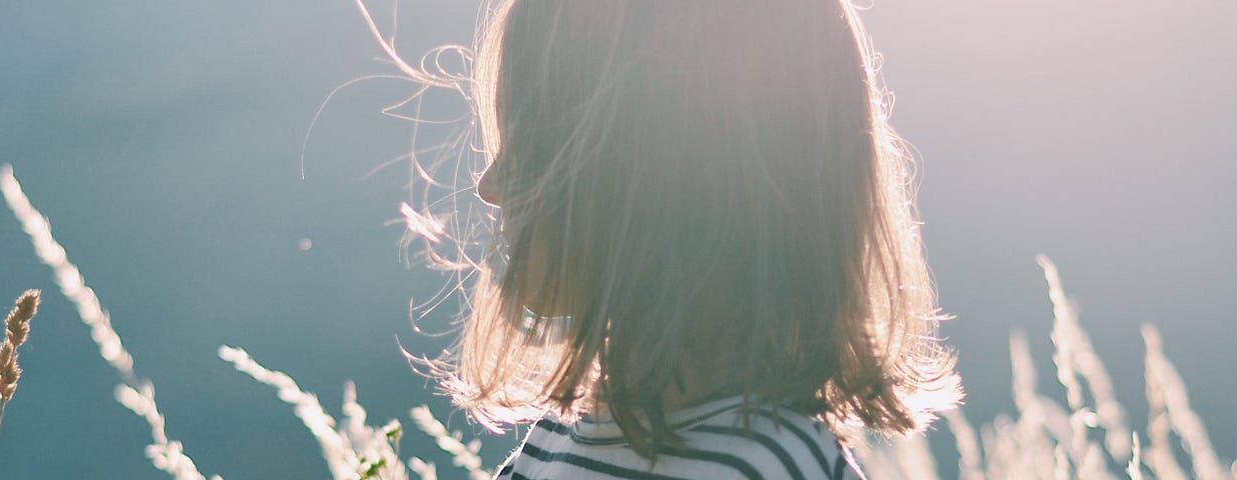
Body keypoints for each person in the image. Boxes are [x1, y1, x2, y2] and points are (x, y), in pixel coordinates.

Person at [371, 0, 963, 478]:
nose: (489, 184)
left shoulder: (772, 467)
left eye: (529, 143)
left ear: (661, 183)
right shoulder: (553, 444)